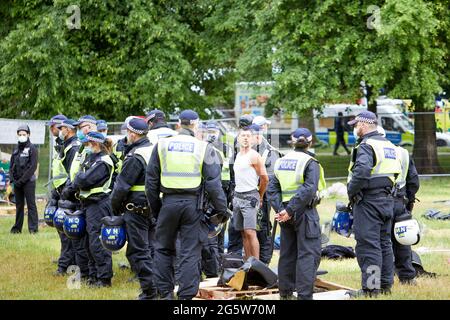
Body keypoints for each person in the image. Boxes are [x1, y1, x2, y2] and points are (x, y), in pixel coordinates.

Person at [146, 110, 227, 300]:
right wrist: (222, 210)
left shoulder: (162, 145)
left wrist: (157, 209)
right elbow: (214, 185)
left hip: (168, 203)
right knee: (190, 252)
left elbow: (151, 182)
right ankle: (186, 297)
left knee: (163, 249)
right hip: (193, 206)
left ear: (179, 124)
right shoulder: (204, 147)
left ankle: (165, 294)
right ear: (195, 125)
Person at [346, 111, 402, 298]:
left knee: (368, 246)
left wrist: (351, 191)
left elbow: (361, 172)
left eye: (355, 125)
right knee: (384, 243)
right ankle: (385, 285)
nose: (355, 129)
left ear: (363, 125)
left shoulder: (367, 145)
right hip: (387, 200)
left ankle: (371, 289)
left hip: (368, 201)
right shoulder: (389, 145)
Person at [268, 128, 326, 300]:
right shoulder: (310, 162)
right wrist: (290, 210)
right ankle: (304, 296)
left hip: (285, 214)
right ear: (310, 142)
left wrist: (281, 210)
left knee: (287, 253)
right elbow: (309, 189)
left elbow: (272, 190)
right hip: (304, 212)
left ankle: (285, 293)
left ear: (292, 141)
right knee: (308, 254)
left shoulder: (280, 161)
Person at [110, 118, 157, 299]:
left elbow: (121, 187)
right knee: (154, 249)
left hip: (135, 210)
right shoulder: (154, 150)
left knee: (140, 252)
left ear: (132, 134)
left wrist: (114, 210)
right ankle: (162, 286)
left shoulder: (135, 156)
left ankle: (150, 292)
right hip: (153, 208)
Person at [66, 131, 115, 288]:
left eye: (87, 144)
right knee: (88, 241)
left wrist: (79, 178)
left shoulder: (103, 161)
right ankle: (94, 275)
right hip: (88, 204)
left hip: (99, 204)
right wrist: (78, 179)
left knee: (97, 242)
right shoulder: (91, 158)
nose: (85, 147)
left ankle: (104, 278)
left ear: (95, 144)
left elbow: (84, 180)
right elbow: (79, 178)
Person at [377, 127, 420, 285]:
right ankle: (407, 276)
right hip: (399, 202)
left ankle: (383, 278)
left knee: (382, 240)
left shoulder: (369, 150)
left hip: (378, 203)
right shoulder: (402, 152)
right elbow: (413, 180)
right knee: (402, 239)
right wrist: (410, 200)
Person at [232, 125, 269, 260]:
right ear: (238, 138)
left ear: (253, 139)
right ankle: (248, 263)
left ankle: (257, 265)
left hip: (250, 197)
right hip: (237, 197)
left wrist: (259, 195)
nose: (246, 138)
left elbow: (265, 179)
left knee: (250, 232)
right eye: (243, 136)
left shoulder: (254, 156)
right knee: (243, 232)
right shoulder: (238, 155)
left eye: (248, 136)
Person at [46, 115, 76, 276]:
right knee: (61, 229)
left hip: (67, 191)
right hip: (60, 190)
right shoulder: (62, 144)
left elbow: (72, 173)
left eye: (56, 128)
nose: (53, 131)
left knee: (66, 231)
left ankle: (65, 265)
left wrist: (66, 191)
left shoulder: (71, 147)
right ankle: (66, 260)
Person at [9, 125, 39, 234]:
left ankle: (33, 229)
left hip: (28, 182)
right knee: (19, 205)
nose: (22, 136)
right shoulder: (16, 149)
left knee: (31, 205)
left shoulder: (32, 148)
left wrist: (22, 180)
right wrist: (12, 179)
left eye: (24, 134)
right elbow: (11, 165)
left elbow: (33, 167)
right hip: (17, 183)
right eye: (20, 134)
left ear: (28, 135)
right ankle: (17, 228)